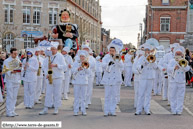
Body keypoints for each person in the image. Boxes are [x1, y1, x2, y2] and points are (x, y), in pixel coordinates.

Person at [39, 42, 66, 115]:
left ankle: (56, 108)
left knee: (57, 93)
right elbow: (44, 66)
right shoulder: (48, 57)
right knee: (48, 93)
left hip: (58, 77)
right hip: (49, 77)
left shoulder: (60, 56)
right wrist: (47, 74)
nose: (52, 51)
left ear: (56, 49)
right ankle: (45, 108)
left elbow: (64, 66)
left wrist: (56, 65)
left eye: (54, 49)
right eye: (51, 49)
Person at [101, 39, 124, 116]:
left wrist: (117, 60)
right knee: (107, 96)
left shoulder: (118, 57)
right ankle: (106, 111)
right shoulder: (106, 57)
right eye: (110, 50)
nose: (111, 52)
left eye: (113, 51)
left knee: (114, 96)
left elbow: (122, 67)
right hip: (107, 79)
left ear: (115, 51)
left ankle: (113, 110)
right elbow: (103, 66)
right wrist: (109, 63)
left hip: (115, 79)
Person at [135, 43, 157, 115]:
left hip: (150, 77)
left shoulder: (153, 57)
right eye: (146, 50)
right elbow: (138, 67)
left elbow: (156, 67)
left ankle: (147, 109)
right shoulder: (141, 58)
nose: (147, 52)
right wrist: (143, 64)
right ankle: (138, 110)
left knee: (148, 94)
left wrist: (152, 61)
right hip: (143, 77)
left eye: (148, 50)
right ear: (144, 51)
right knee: (141, 94)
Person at [167, 46, 190, 115]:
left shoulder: (184, 61)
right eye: (177, 54)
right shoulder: (171, 61)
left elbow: (187, 69)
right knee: (172, 95)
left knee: (180, 96)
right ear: (175, 54)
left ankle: (179, 110)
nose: (178, 55)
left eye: (180, 54)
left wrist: (183, 66)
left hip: (181, 81)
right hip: (173, 80)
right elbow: (168, 69)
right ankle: (173, 109)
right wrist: (174, 68)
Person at [72, 50, 90, 116]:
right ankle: (75, 110)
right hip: (76, 81)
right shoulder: (75, 63)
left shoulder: (87, 63)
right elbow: (72, 71)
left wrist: (85, 68)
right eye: (81, 56)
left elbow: (89, 73)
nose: (82, 57)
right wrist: (77, 69)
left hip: (84, 81)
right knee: (76, 97)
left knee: (83, 97)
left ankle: (83, 110)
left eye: (83, 56)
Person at [4, 48, 21, 117]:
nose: (15, 55)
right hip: (10, 80)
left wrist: (21, 67)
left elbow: (20, 68)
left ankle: (13, 110)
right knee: (10, 96)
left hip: (16, 80)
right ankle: (8, 111)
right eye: (14, 53)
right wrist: (11, 71)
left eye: (16, 53)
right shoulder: (6, 61)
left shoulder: (17, 59)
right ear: (11, 53)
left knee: (14, 96)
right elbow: (5, 70)